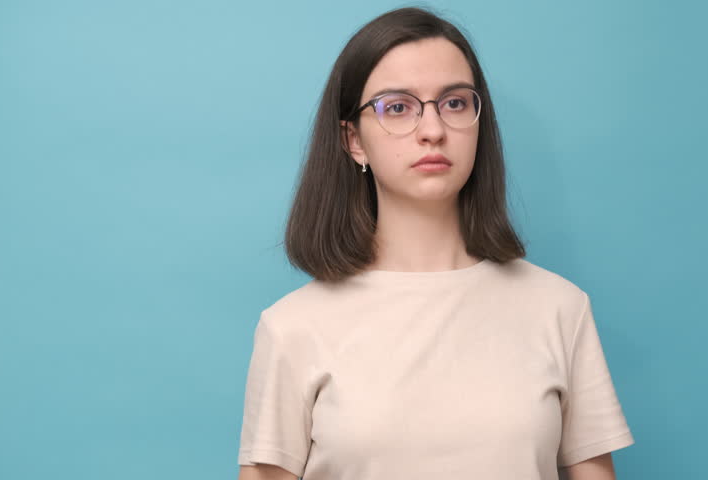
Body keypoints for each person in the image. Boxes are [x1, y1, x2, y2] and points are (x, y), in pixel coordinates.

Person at [236, 6, 634, 480]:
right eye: (397, 107)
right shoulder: (292, 328)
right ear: (353, 140)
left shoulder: (561, 309)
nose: (433, 131)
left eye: (455, 103)